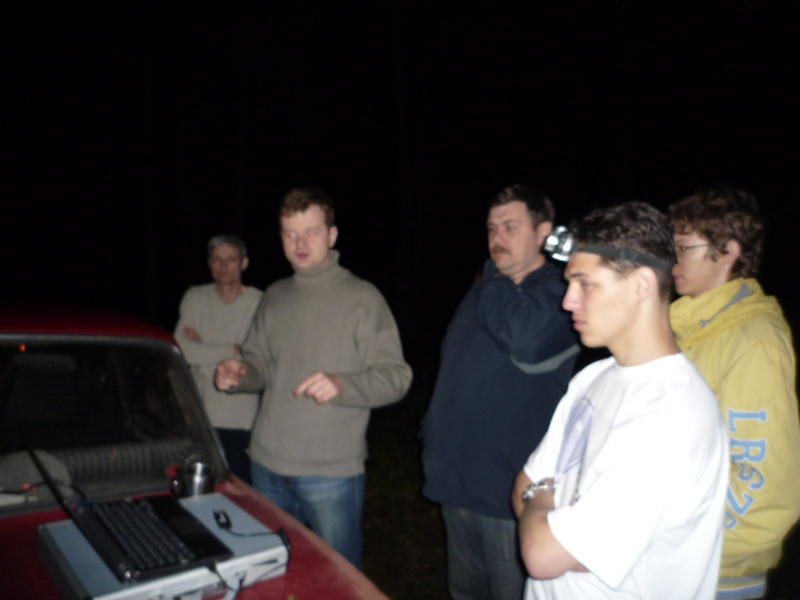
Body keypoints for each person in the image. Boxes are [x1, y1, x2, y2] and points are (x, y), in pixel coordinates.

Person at [512, 202, 729, 599]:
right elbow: (523, 487)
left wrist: (542, 503)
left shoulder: (673, 415)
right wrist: (549, 514)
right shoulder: (593, 378)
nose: (567, 301)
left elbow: (542, 555)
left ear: (641, 284)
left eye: (585, 284)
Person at [214, 187, 412, 568]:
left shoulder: (362, 298)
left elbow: (397, 377)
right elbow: (259, 366)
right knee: (272, 573)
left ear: (332, 235)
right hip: (266, 465)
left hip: (330, 475)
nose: (300, 243)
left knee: (335, 577)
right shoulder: (275, 295)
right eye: (291, 233)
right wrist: (238, 374)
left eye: (311, 232)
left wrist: (342, 385)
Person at [421, 185, 579, 600]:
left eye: (510, 226)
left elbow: (526, 340)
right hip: (458, 484)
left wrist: (491, 278)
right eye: (492, 228)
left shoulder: (562, 294)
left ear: (543, 232)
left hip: (509, 497)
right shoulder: (483, 292)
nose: (497, 238)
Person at [669, 188, 800, 600]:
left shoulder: (752, 341)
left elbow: (763, 482)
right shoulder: (690, 329)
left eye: (683, 247)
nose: (672, 259)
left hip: (715, 576)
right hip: (672, 562)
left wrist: (705, 551)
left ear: (727, 251)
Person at [175, 234, 262, 483]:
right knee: (200, 487)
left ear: (243, 263)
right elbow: (181, 349)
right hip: (199, 416)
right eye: (217, 259)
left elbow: (256, 355)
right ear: (209, 263)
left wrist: (204, 348)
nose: (224, 266)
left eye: (231, 260)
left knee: (239, 489)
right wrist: (233, 348)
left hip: (242, 418)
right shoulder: (195, 297)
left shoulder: (259, 302)